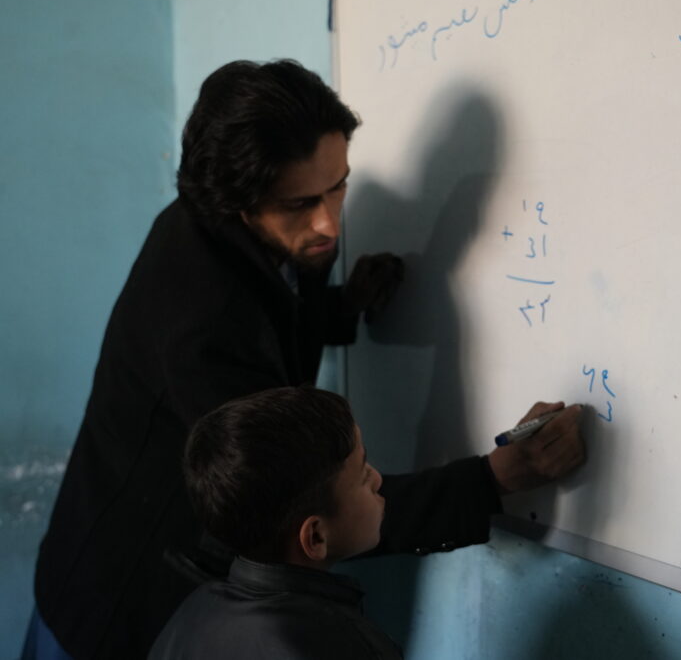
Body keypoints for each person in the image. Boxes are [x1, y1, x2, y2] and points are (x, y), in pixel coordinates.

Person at [28, 59, 585, 659]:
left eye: (339, 184)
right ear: (239, 202)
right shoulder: (201, 316)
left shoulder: (237, 234)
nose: (328, 222)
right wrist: (493, 480)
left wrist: (344, 306)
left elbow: (272, 311)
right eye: (300, 203)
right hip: (119, 608)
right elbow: (311, 499)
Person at [148, 387, 581, 659]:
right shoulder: (333, 644)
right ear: (315, 536)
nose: (377, 480)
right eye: (362, 473)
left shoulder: (196, 609)